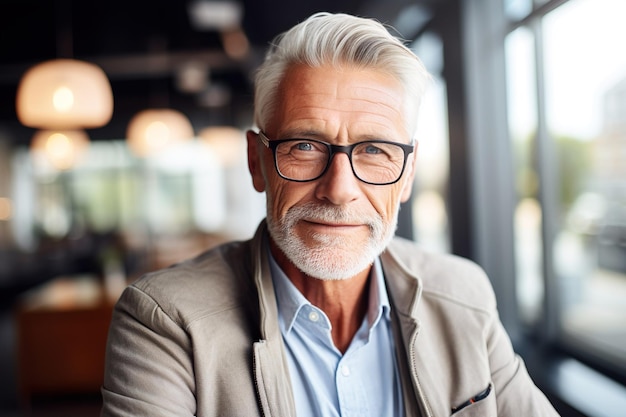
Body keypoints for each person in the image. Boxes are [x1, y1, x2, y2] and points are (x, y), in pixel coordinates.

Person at [101, 12, 560, 417]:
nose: (339, 190)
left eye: (375, 150)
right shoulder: (164, 320)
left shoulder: (464, 294)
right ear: (257, 162)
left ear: (407, 174)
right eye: (305, 146)